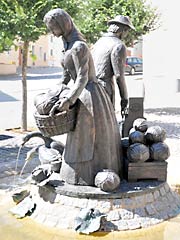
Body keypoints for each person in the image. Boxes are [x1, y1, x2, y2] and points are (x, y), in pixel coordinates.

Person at [43, 8, 122, 186]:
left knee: (90, 137)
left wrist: (69, 100)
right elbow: (65, 77)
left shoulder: (79, 46)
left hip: (91, 95)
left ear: (63, 24)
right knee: (78, 139)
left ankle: (93, 175)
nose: (52, 32)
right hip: (79, 93)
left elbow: (82, 77)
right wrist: (55, 94)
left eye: (53, 27)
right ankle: (74, 174)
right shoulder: (66, 46)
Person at [92, 15, 135, 111]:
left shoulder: (99, 42)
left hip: (91, 87)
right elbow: (119, 76)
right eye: (127, 31)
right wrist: (124, 98)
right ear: (123, 30)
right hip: (104, 89)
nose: (127, 34)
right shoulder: (119, 45)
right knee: (107, 122)